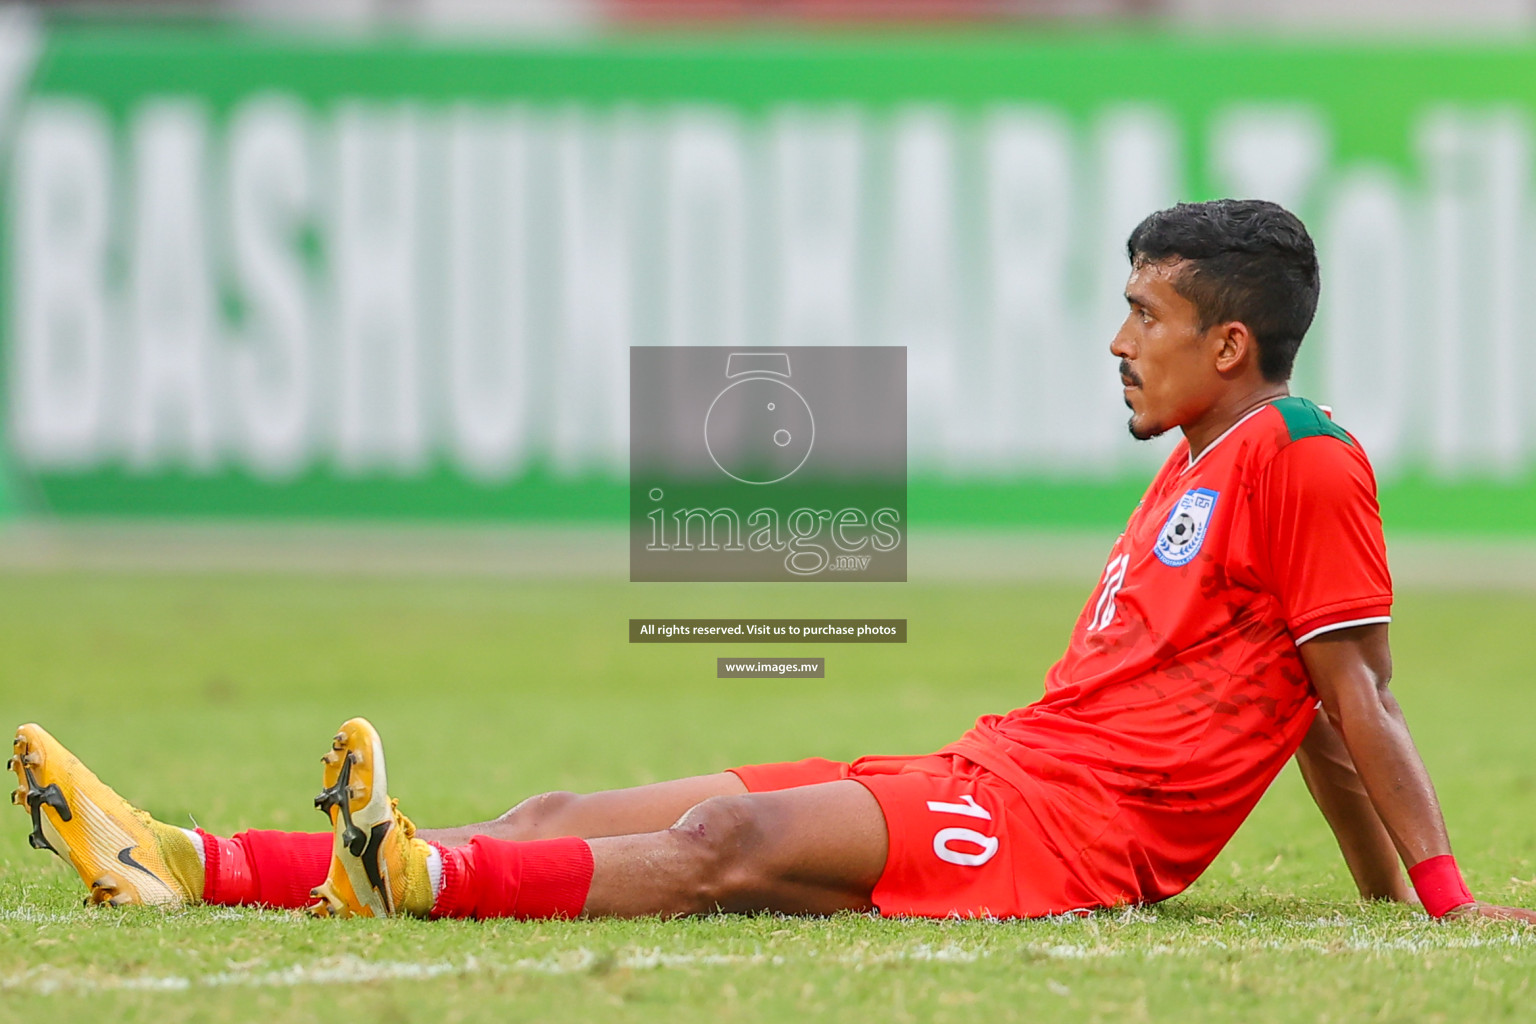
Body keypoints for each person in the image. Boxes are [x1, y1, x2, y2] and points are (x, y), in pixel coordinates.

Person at [11, 199, 1534, 925]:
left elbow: (1357, 702)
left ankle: (426, 875)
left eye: (1146, 313)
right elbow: (1317, 714)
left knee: (725, 845)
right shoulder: (1199, 471)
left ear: (1230, 342)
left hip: (1066, 841)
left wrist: (1447, 910)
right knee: (567, 809)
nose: (1120, 339)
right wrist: (1380, 895)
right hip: (1003, 774)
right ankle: (187, 858)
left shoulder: (1310, 457)